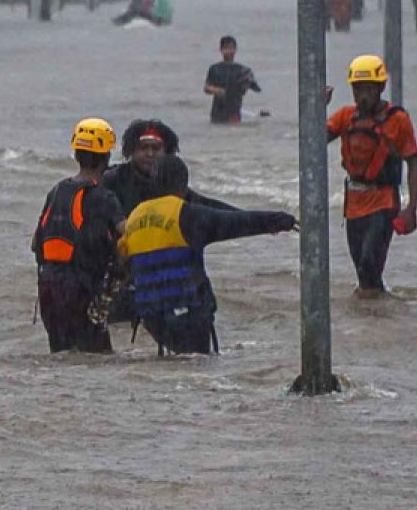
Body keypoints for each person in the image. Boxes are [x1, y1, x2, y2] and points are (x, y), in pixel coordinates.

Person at [118, 155, 297, 355]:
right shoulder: (186, 214)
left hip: (153, 317)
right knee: (196, 366)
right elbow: (237, 223)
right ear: (183, 183)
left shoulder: (134, 217)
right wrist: (281, 221)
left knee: (172, 366)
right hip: (188, 312)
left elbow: (123, 257)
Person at [99, 119, 238, 325]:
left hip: (157, 270)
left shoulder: (169, 184)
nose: (149, 154)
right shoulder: (112, 179)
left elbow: (207, 207)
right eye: (143, 148)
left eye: (156, 148)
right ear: (131, 151)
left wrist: (250, 217)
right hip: (118, 266)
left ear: (167, 152)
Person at [325, 55, 417, 299]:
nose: (362, 95)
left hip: (384, 203)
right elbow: (313, 139)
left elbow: (413, 163)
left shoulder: (398, 120)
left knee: (369, 263)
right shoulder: (345, 117)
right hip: (354, 204)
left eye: (368, 88)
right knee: (363, 272)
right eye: (357, 89)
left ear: (380, 87)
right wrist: (318, 107)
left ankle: (373, 314)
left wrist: (411, 208)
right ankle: (375, 316)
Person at [31, 118, 124, 353]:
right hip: (83, 289)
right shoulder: (105, 198)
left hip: (49, 288)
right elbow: (128, 238)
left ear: (76, 155)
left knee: (62, 355)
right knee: (98, 357)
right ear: (106, 158)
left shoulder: (56, 190)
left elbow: (36, 244)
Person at [204, 36, 262, 124]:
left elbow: (256, 89)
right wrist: (216, 90)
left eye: (231, 48)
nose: (229, 51)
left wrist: (246, 85)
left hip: (234, 111)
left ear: (235, 49)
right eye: (226, 48)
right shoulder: (215, 68)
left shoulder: (243, 70)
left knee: (233, 133)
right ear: (221, 50)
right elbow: (206, 88)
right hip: (217, 111)